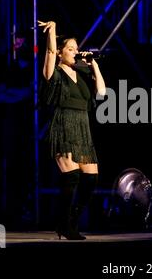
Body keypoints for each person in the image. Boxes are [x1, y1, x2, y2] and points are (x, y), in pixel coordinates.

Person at [38, 20, 106, 240]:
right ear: (60, 53)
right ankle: (64, 225)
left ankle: (70, 221)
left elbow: (102, 92)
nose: (75, 52)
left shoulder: (82, 75)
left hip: (82, 130)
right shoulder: (55, 74)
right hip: (64, 127)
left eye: (76, 48)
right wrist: (54, 29)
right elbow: (49, 52)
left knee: (91, 179)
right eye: (70, 49)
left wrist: (93, 63)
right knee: (72, 177)